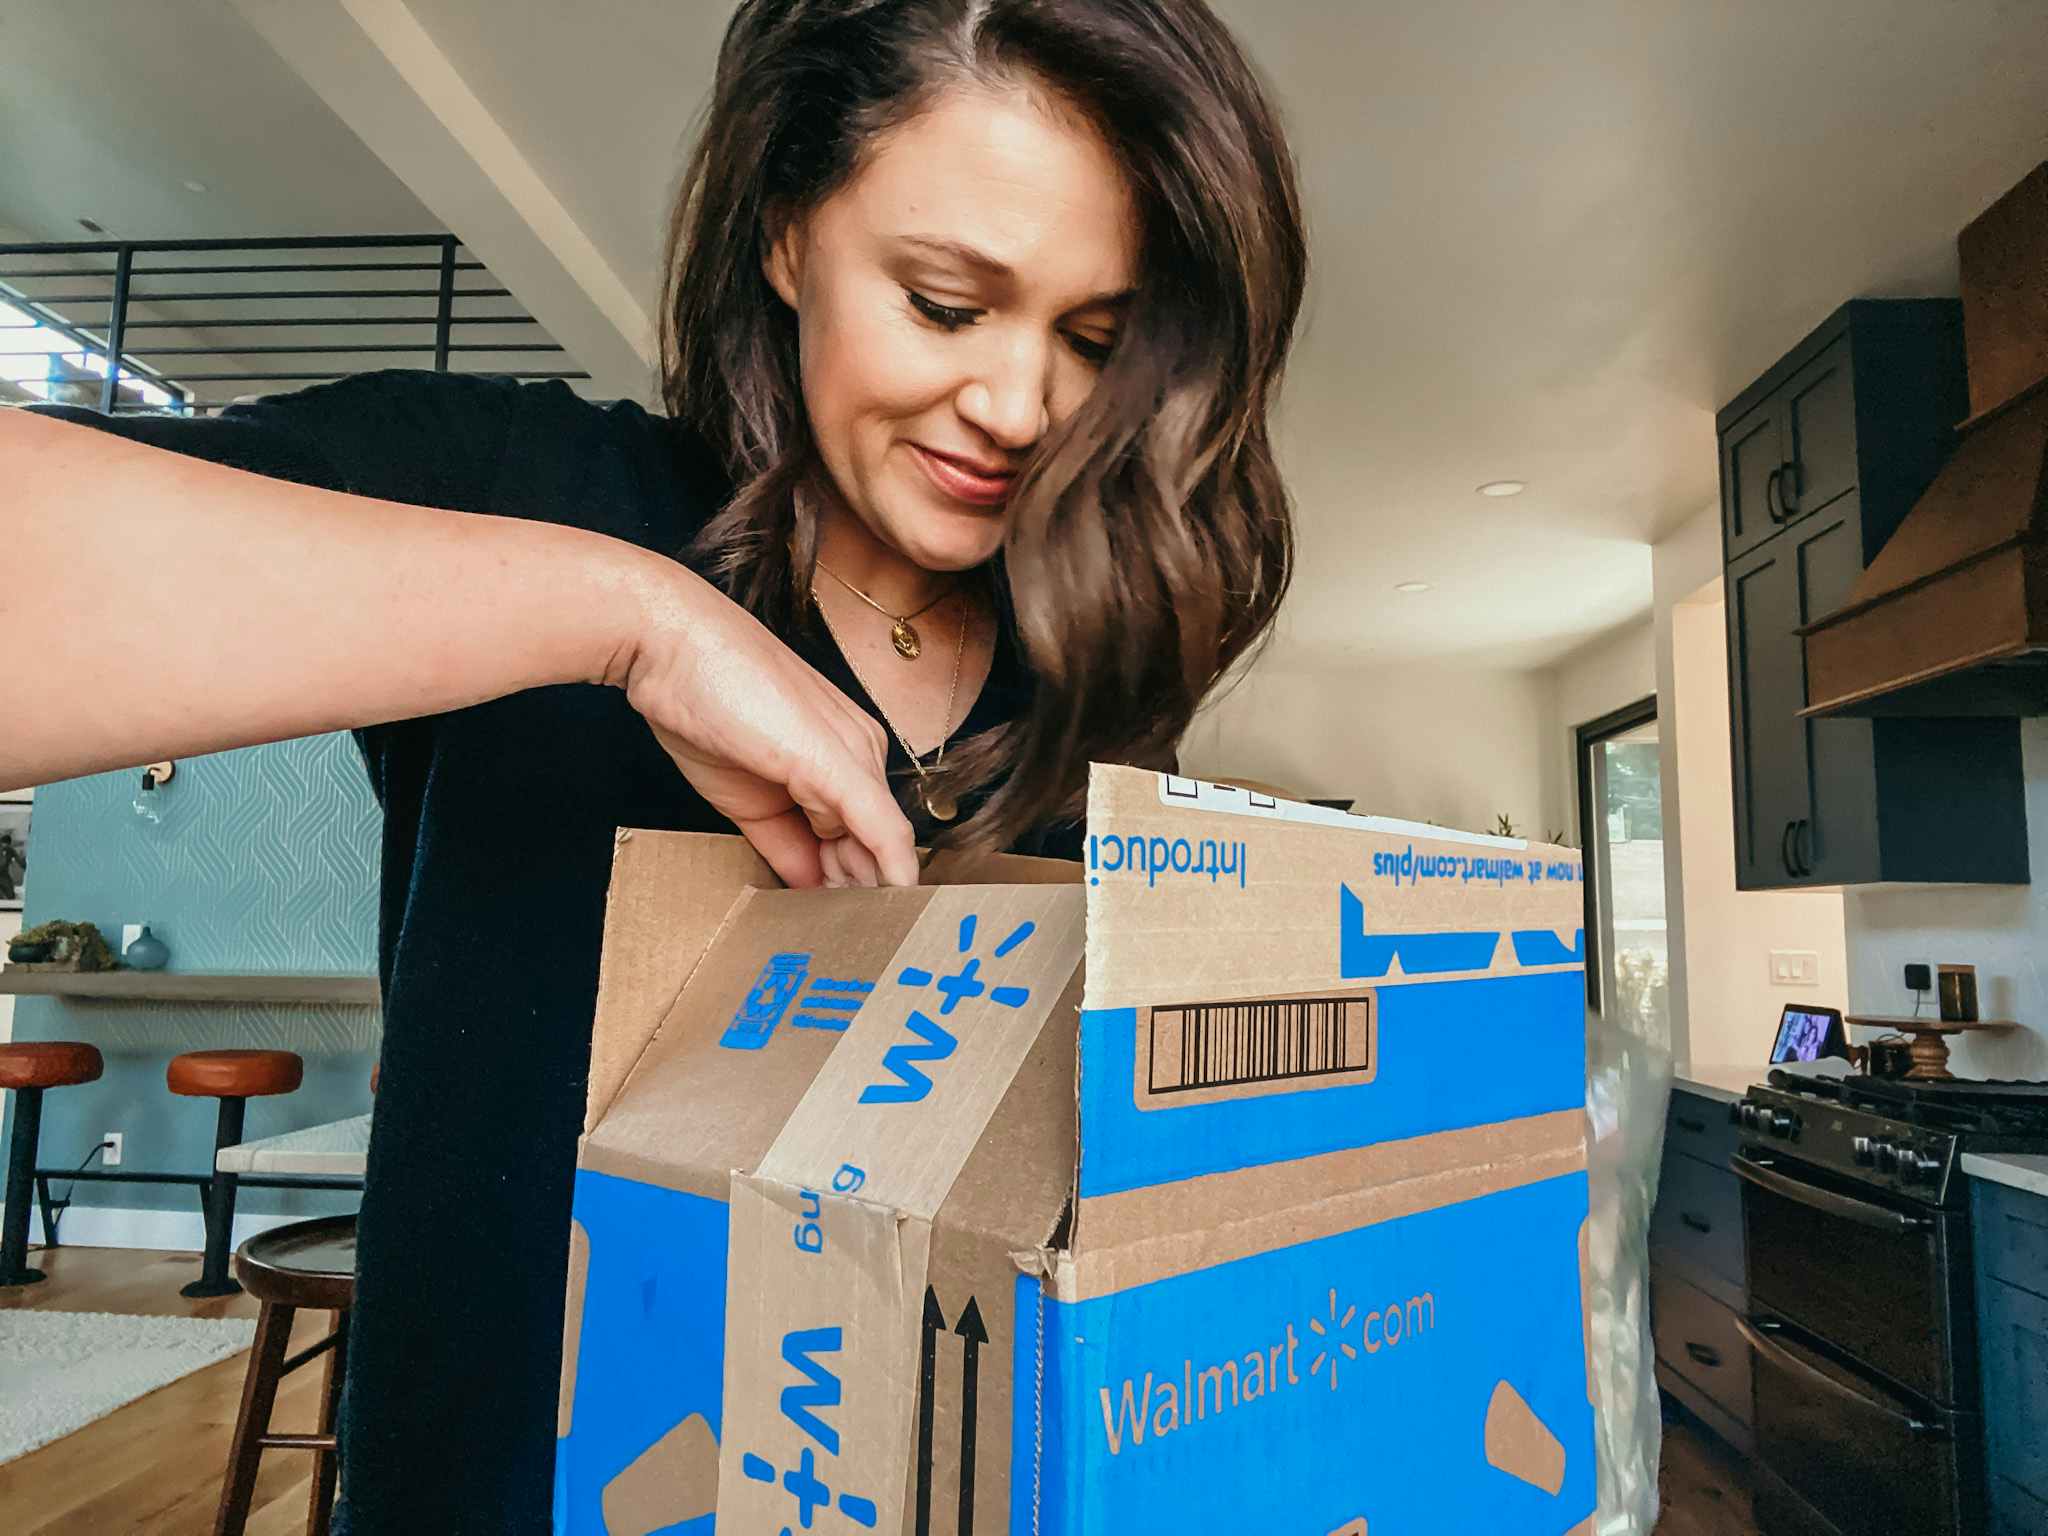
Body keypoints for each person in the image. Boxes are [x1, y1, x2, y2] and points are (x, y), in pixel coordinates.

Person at [0, 0, 1306, 1528]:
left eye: (1094, 339)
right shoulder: (524, 492)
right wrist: (627, 619)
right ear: (783, 237)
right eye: (946, 305)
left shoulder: (1083, 669)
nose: (1020, 410)